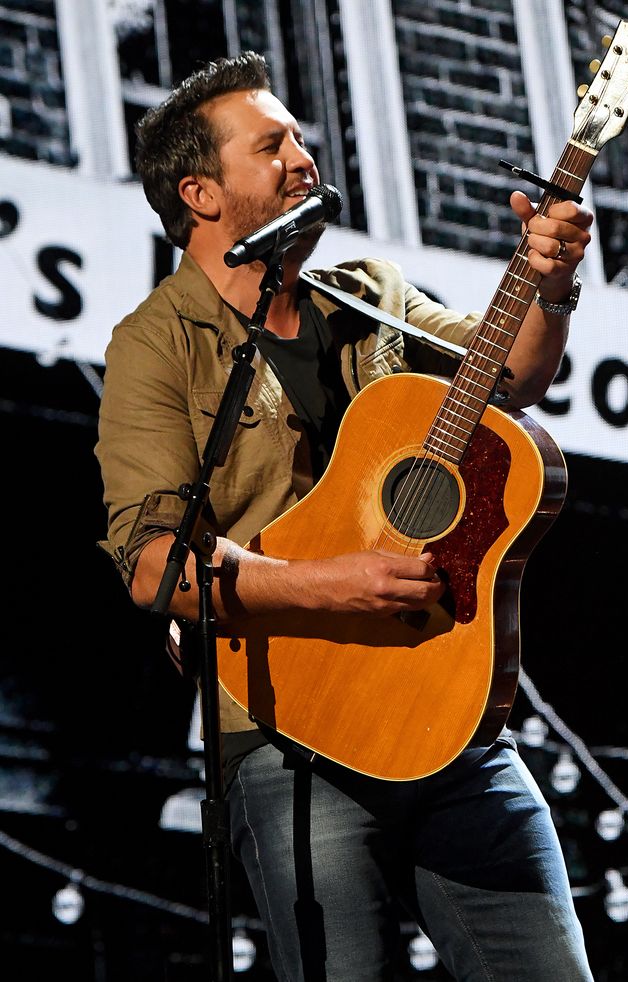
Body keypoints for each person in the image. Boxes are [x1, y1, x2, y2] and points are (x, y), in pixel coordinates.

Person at [96, 52, 595, 981]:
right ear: (200, 193)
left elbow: (511, 375)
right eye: (272, 142)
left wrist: (550, 282)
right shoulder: (154, 347)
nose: (303, 154)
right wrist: (337, 585)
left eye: (300, 135)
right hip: (291, 736)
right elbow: (154, 567)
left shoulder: (368, 292)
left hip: (452, 716)